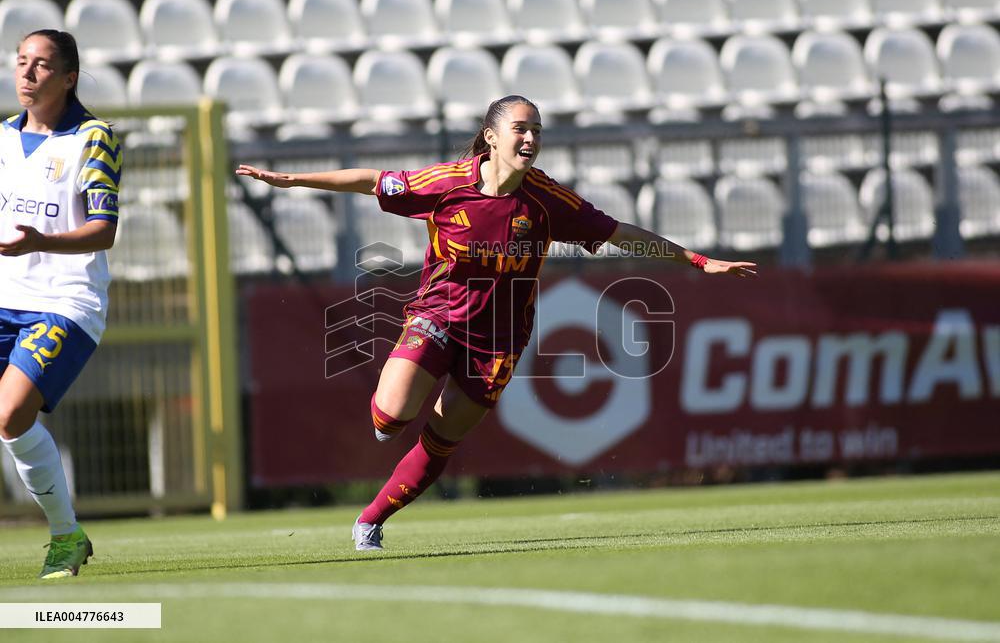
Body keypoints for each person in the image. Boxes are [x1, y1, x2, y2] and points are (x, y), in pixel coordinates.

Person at [237, 95, 755, 551]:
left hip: (500, 341)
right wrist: (294, 180)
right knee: (390, 418)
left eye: (537, 131)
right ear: (491, 136)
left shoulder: (548, 201)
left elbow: (621, 234)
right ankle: (387, 421)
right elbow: (374, 181)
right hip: (437, 318)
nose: (530, 139)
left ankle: (370, 521)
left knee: (443, 438)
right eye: (520, 129)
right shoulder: (447, 183)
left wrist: (697, 260)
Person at [0, 30, 123, 578]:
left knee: (10, 413)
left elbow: (103, 230)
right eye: (21, 62)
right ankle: (70, 535)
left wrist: (40, 242)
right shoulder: (3, 137)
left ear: (69, 78)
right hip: (4, 297)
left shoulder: (94, 137)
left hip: (64, 301)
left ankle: (63, 535)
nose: (27, 73)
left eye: (42, 65)